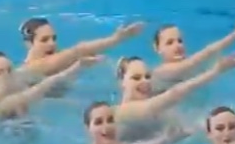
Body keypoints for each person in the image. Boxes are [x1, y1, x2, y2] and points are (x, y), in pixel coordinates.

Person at [113, 53, 235, 141]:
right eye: (136, 78)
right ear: (121, 83)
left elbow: (184, 129)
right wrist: (214, 72)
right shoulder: (123, 112)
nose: (145, 82)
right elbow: (174, 94)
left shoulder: (156, 108)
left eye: (147, 76)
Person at [0, 50, 101, 143]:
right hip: (14, 139)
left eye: (9, 70)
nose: (6, 76)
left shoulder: (19, 79)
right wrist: (76, 66)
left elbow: (44, 86)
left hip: (30, 125)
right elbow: (38, 90)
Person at [17, 17, 145, 98]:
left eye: (54, 38)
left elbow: (84, 53)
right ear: (28, 44)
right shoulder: (33, 68)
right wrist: (116, 39)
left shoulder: (56, 58)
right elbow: (79, 50)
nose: (52, 43)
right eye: (44, 40)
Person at [151, 14, 235, 91]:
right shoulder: (162, 71)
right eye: (169, 43)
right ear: (157, 48)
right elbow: (207, 52)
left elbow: (212, 54)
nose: (177, 46)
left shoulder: (191, 65)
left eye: (180, 41)